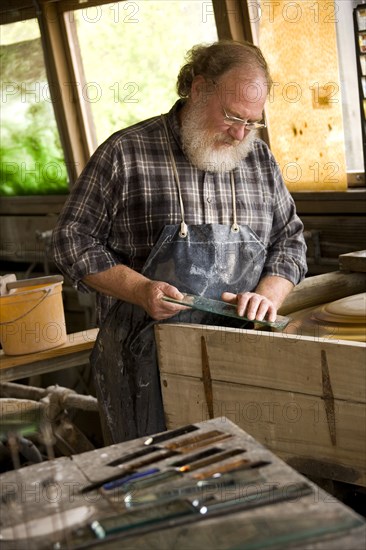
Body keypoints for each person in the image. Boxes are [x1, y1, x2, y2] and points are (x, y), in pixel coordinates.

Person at [52, 40, 307, 444]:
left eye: (252, 122)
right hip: (144, 370)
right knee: (155, 485)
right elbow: (71, 241)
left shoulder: (259, 160)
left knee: (243, 480)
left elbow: (290, 241)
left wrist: (268, 295)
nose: (240, 132)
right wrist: (140, 289)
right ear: (199, 88)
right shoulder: (126, 153)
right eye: (231, 116)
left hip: (242, 362)